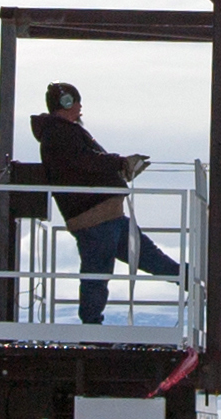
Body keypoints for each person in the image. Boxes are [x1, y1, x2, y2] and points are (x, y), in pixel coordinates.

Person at [28, 81, 183, 325]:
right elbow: (86, 162)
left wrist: (119, 169)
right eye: (76, 101)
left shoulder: (61, 133)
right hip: (94, 217)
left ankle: (191, 278)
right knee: (100, 272)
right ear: (66, 103)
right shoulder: (60, 133)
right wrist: (120, 164)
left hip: (106, 216)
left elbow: (84, 166)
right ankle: (91, 327)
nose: (80, 107)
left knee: (144, 256)